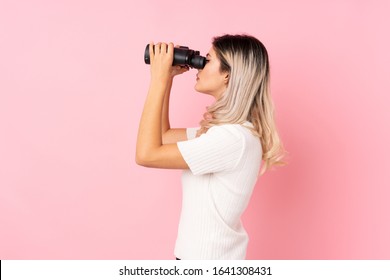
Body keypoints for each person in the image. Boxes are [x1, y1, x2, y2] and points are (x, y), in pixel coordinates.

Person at [136, 34, 286, 260]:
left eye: (207, 59)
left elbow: (146, 155)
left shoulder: (232, 138)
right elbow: (163, 136)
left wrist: (157, 79)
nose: (199, 66)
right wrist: (167, 79)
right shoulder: (225, 133)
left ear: (227, 74)